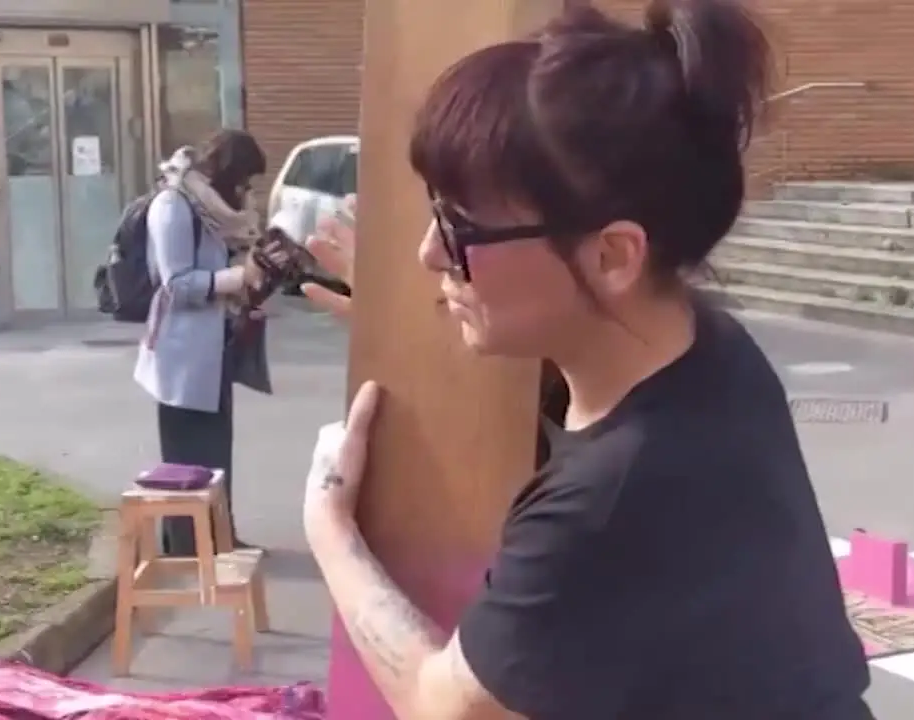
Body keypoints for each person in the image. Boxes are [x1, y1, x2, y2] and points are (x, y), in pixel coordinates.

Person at [300, 1, 873, 717]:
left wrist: (330, 528)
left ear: (613, 256)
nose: (430, 255)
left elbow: (442, 704)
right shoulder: (709, 349)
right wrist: (420, 321)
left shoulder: (609, 500)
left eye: (460, 229)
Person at [134, 129, 289, 556]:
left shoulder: (215, 211)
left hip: (215, 347)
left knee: (217, 452)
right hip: (182, 353)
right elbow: (176, 284)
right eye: (243, 181)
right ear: (225, 173)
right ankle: (187, 545)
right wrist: (239, 278)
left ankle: (219, 537)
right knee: (189, 454)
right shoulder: (174, 205)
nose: (245, 192)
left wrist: (260, 276)